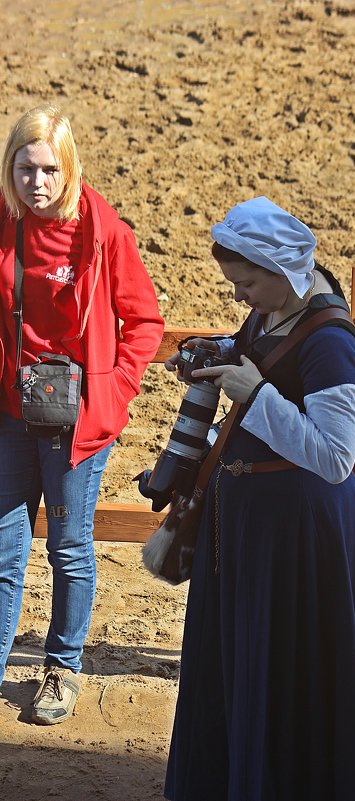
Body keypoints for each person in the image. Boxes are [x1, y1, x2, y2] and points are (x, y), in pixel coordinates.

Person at [163, 196, 355, 801]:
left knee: (293, 680)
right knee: (243, 676)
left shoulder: (330, 341)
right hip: (250, 532)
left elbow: (336, 458)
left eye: (246, 283)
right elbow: (254, 362)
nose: (239, 297)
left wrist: (256, 393)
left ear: (281, 273)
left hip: (301, 544)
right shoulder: (270, 313)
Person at [0, 105, 164, 724]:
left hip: (76, 423)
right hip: (11, 415)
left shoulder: (102, 232)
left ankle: (62, 670)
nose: (35, 183)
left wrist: (112, 393)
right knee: (3, 551)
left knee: (69, 550)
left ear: (68, 169)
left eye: (47, 170)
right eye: (23, 169)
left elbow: (144, 322)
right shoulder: (3, 223)